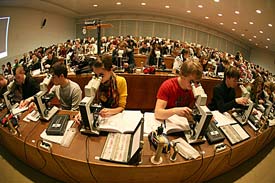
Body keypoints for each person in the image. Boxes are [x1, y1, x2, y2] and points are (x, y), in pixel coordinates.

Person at [74, 55, 127, 123]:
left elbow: (121, 107)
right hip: (99, 117)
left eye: (101, 75)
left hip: (114, 118)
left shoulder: (120, 81)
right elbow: (89, 101)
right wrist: (81, 113)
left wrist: (110, 111)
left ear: (110, 70)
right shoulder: (94, 82)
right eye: (96, 75)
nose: (98, 78)